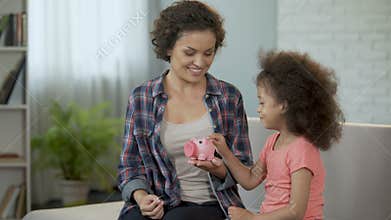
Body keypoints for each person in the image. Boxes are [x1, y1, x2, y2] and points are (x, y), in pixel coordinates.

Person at [117, 1, 253, 219]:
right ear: (169, 47)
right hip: (158, 200)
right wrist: (142, 198)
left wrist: (217, 168)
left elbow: (245, 168)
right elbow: (129, 166)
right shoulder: (141, 97)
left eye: (208, 53)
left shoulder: (228, 97)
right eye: (190, 52)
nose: (200, 62)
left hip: (209, 204)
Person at [209, 50, 344, 220]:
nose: (259, 109)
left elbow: (296, 212)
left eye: (262, 102)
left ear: (283, 105)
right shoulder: (273, 142)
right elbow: (250, 180)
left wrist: (252, 218)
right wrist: (225, 152)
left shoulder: (302, 150)